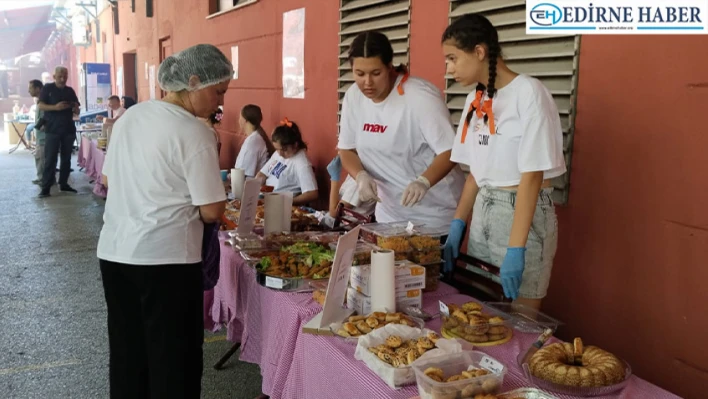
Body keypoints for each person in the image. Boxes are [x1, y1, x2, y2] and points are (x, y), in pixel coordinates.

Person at [96, 44, 232, 399]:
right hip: (166, 260)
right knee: (174, 360)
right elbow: (212, 211)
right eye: (218, 91)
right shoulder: (195, 132)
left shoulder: (130, 118)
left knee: (128, 353)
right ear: (193, 82)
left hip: (116, 253)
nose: (220, 102)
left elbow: (108, 180)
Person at [440, 14, 566, 311]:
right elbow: (475, 173)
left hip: (521, 214)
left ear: (480, 52)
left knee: (522, 319)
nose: (449, 69)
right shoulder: (477, 99)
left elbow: (532, 176)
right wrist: (458, 224)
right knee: (483, 316)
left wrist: (516, 247)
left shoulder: (529, 93)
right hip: (484, 210)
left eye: (453, 58)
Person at [338, 31, 465, 230]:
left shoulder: (419, 96)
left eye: (376, 73)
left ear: (389, 67)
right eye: (359, 74)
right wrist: (360, 176)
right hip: (389, 214)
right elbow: (346, 149)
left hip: (434, 216)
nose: (367, 83)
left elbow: (450, 151)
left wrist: (424, 181)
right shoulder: (354, 97)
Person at [37, 66, 80, 197]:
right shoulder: (47, 88)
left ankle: (64, 184)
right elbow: (40, 105)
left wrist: (75, 108)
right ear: (54, 76)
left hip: (68, 128)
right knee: (50, 159)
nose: (63, 79)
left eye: (65, 76)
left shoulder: (69, 90)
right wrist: (55, 107)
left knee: (66, 158)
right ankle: (46, 188)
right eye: (60, 76)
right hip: (52, 129)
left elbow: (76, 106)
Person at [255, 118, 318, 205]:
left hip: (281, 205)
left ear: (295, 145)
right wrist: (259, 188)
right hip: (267, 197)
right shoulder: (279, 153)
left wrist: (287, 201)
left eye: (284, 150)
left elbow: (312, 193)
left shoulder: (301, 163)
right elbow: (262, 174)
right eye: (277, 149)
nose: (280, 154)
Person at [234, 104, 275, 177]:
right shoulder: (255, 138)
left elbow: (243, 173)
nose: (238, 120)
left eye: (240, 117)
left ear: (244, 120)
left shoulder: (252, 141)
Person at [28, 80, 45, 184]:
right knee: (39, 158)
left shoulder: (44, 101)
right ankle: (41, 178)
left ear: (38, 88)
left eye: (31, 88)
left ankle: (44, 180)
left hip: (44, 137)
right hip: (40, 137)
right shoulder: (39, 101)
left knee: (42, 159)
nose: (29, 91)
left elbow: (45, 118)